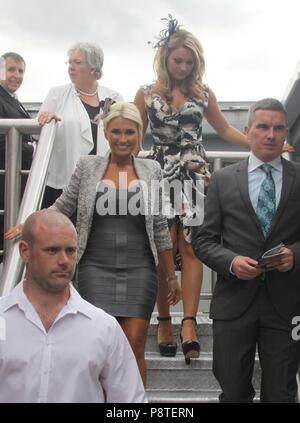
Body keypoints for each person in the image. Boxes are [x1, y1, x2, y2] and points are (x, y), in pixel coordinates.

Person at [5, 102, 181, 386]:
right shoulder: (88, 166)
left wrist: (172, 277)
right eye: (116, 132)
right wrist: (30, 223)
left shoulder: (152, 169)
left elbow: (160, 226)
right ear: (107, 134)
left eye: (129, 132)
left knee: (134, 345)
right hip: (96, 267)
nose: (122, 139)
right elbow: (64, 205)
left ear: (139, 134)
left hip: (140, 270)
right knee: (96, 345)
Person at [134, 17, 252, 363]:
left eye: (190, 62)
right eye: (178, 60)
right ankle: (165, 321)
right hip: (157, 172)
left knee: (192, 247)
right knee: (162, 246)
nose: (184, 67)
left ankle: (188, 322)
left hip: (194, 175)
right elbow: (128, 130)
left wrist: (259, 145)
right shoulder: (146, 93)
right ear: (165, 59)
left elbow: (227, 130)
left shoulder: (203, 94)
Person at [192, 98, 300, 402]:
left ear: (285, 133)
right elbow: (202, 240)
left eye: (279, 128)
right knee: (234, 391)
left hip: (288, 307)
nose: (271, 134)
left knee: (281, 393)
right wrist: (231, 261)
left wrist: (295, 256)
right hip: (233, 304)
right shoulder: (223, 180)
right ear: (248, 130)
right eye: (263, 127)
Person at [0, 209, 147, 403]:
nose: (64, 261)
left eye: (70, 251)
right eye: (52, 250)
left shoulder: (103, 327)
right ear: (25, 252)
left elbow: (130, 400)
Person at [38, 42, 123, 207]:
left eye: (77, 62)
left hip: (102, 181)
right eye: (69, 62)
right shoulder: (57, 94)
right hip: (63, 181)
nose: (71, 67)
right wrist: (46, 118)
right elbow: (40, 128)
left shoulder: (113, 97)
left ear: (93, 68)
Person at [0, 52, 34, 261]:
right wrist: (30, 149)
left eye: (21, 71)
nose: (17, 75)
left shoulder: (13, 100)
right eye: (11, 69)